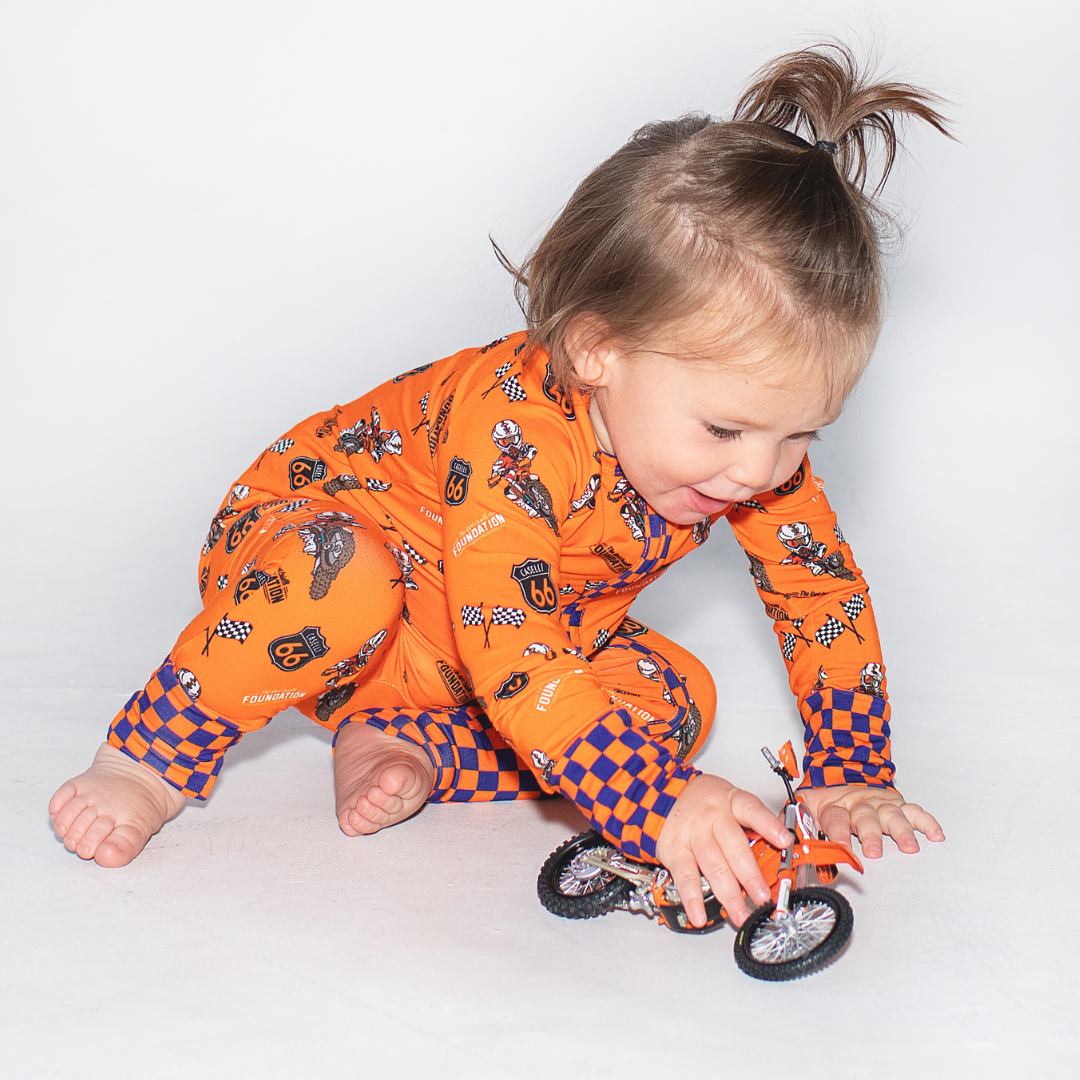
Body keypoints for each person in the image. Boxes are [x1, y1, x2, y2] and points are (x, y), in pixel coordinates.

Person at [50, 44, 948, 928]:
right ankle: (148, 757)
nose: (759, 469)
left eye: (801, 432)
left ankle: (411, 738)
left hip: (465, 658)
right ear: (601, 352)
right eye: (724, 429)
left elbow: (817, 590)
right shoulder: (515, 429)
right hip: (312, 585)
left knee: (679, 701)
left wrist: (849, 767)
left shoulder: (757, 463)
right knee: (343, 575)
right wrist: (652, 802)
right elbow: (511, 641)